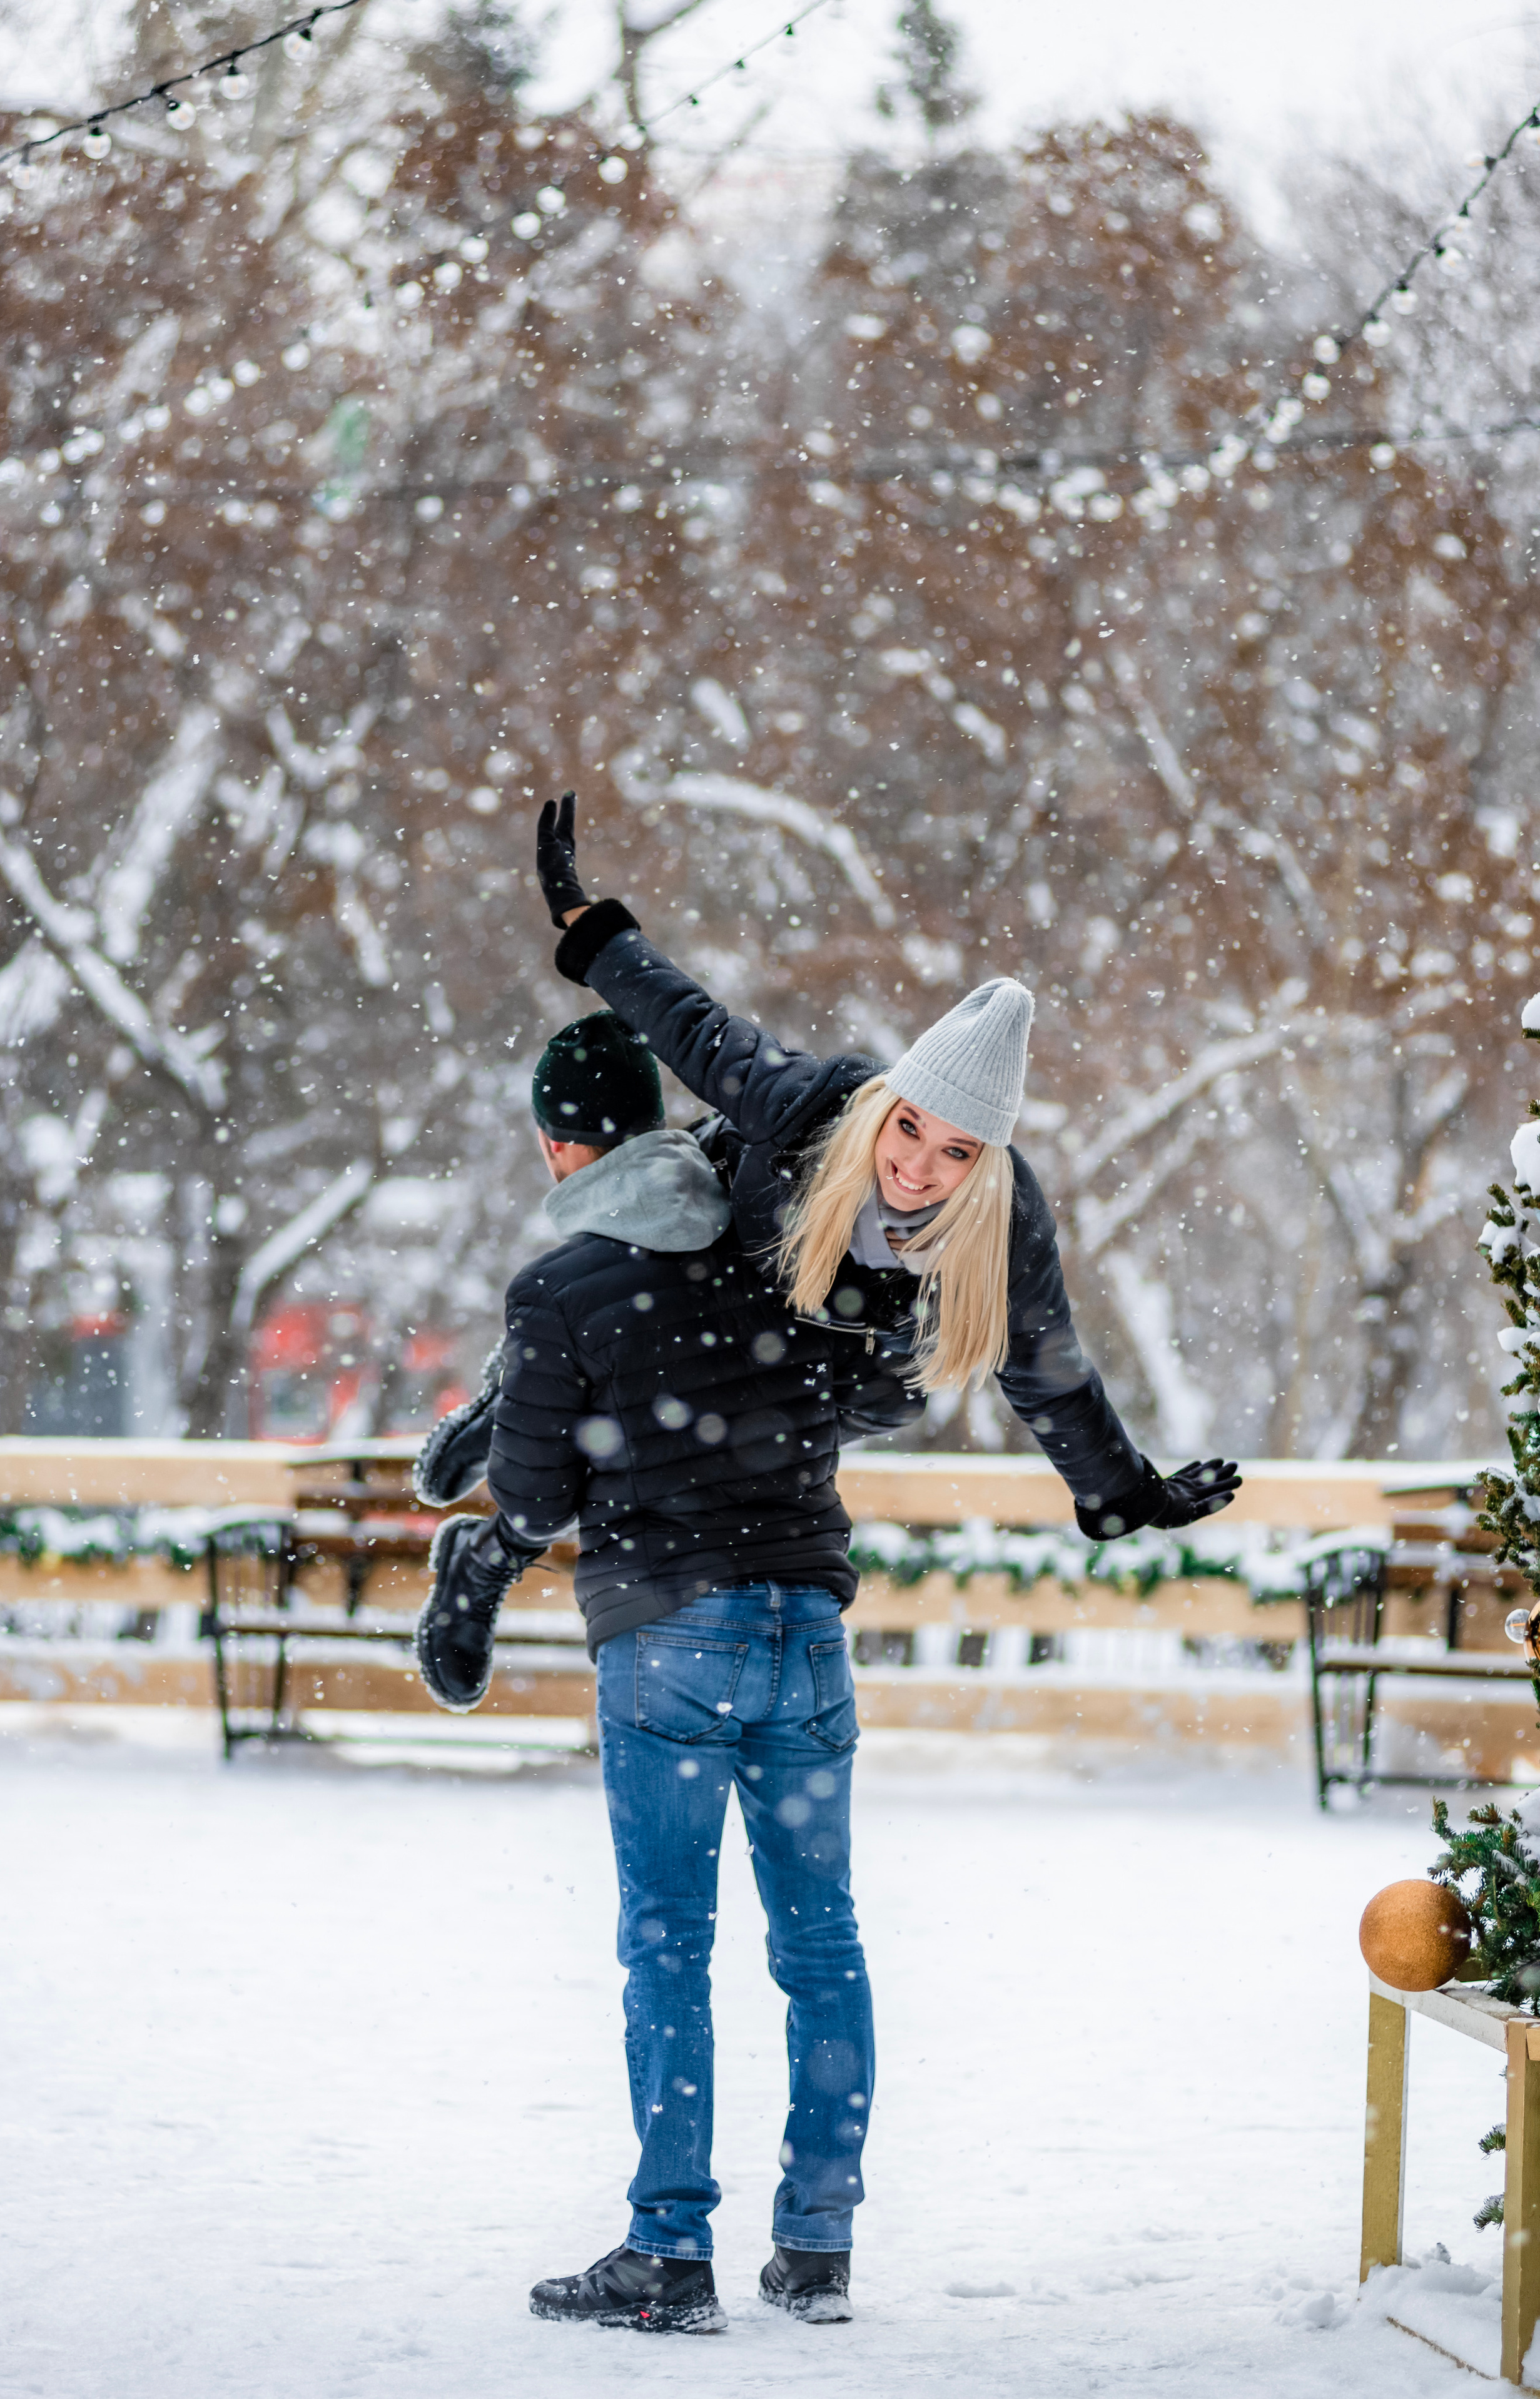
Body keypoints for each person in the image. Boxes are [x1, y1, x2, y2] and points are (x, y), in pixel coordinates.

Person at [415, 1007, 921, 2335]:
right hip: (804, 1633)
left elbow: (529, 1498)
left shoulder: (563, 1289)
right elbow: (872, 1388)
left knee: (667, 1948)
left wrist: (504, 1492)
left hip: (665, 1645)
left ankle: (668, 2249)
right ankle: (815, 2244)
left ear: (556, 1141)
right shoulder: (778, 1258)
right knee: (822, 1943)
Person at [533, 791, 1240, 1540]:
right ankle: (514, 1414)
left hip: (819, 1379)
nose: (917, 1165)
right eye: (909, 1127)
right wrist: (589, 926)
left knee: (880, 1396)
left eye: (956, 1151)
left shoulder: (1004, 1225)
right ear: (886, 1106)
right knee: (662, 1221)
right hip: (715, 1285)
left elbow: (1048, 1374)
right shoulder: (811, 1106)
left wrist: (1125, 1493)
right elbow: (693, 1026)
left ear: (984, 1162)